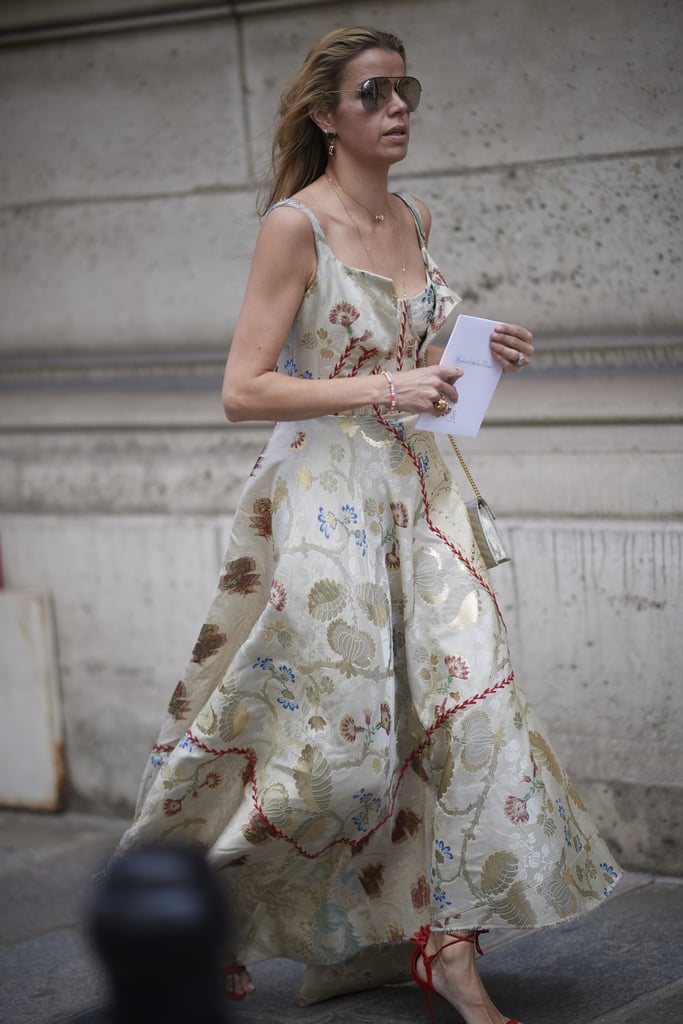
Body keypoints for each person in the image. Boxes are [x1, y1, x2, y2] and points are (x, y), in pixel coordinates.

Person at [115, 26, 622, 1024]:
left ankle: (446, 944)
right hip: (326, 505)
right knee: (330, 741)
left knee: (467, 711)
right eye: (373, 93)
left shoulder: (412, 213)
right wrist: (389, 380)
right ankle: (203, 905)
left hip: (425, 495)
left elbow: (414, 379)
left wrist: (475, 356)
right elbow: (241, 388)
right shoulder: (292, 226)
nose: (396, 110)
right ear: (324, 115)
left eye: (404, 91)